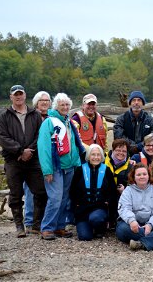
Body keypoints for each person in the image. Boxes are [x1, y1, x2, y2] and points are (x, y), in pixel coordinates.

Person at [0, 85, 47, 238]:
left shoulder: (35, 114)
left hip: (33, 160)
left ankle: (36, 225)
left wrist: (29, 151)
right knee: (16, 194)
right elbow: (2, 137)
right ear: (11, 97)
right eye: (15, 95)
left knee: (41, 192)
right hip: (13, 160)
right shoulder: (3, 116)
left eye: (21, 94)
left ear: (25, 96)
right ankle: (19, 226)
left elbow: (40, 135)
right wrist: (19, 151)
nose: (18, 97)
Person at [38, 93, 85, 240]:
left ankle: (59, 226)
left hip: (69, 166)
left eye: (67, 105)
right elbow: (44, 147)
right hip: (55, 167)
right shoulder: (49, 123)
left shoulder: (68, 122)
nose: (65, 107)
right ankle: (47, 228)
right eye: (62, 105)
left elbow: (74, 145)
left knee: (64, 198)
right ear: (56, 106)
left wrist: (77, 162)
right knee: (55, 197)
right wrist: (47, 170)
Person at [116, 163, 153, 251]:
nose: (142, 177)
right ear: (134, 177)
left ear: (149, 175)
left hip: (150, 224)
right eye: (138, 175)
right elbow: (124, 208)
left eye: (144, 174)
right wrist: (132, 221)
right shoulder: (128, 191)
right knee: (122, 229)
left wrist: (150, 225)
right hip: (132, 225)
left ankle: (141, 244)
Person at [70, 144, 114, 241]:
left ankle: (100, 228)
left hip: (99, 209)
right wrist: (76, 205)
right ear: (88, 156)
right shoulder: (80, 170)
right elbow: (72, 191)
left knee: (96, 218)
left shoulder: (106, 170)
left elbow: (112, 191)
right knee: (85, 237)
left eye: (98, 155)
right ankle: (88, 227)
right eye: (93, 154)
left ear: (102, 156)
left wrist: (107, 202)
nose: (96, 157)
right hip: (83, 210)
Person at [23, 90, 51, 234]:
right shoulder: (31, 116)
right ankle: (29, 221)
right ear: (36, 103)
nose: (45, 103)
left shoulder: (52, 116)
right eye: (42, 101)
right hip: (33, 159)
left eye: (47, 100)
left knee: (44, 191)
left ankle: (40, 221)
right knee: (30, 191)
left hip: (48, 159)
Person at [113, 91, 153, 156]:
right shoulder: (121, 119)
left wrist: (141, 145)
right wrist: (134, 146)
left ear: (143, 103)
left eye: (139, 100)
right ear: (130, 103)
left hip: (146, 154)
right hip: (125, 154)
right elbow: (118, 136)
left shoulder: (150, 120)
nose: (136, 102)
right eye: (134, 100)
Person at [104, 138, 132, 226]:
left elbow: (132, 185)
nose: (121, 153)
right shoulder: (102, 159)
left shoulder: (131, 166)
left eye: (124, 151)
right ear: (113, 150)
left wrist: (125, 189)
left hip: (121, 195)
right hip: (104, 193)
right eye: (118, 150)